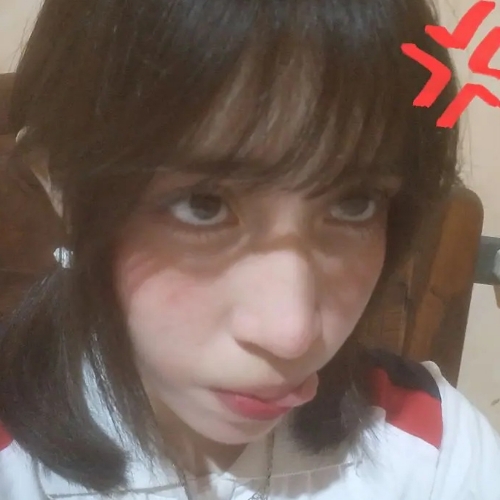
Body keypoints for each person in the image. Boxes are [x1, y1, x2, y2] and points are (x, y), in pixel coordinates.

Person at [0, 0, 499, 498]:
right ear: (63, 188)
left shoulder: (433, 448)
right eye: (203, 205)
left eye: (355, 204)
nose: (292, 335)